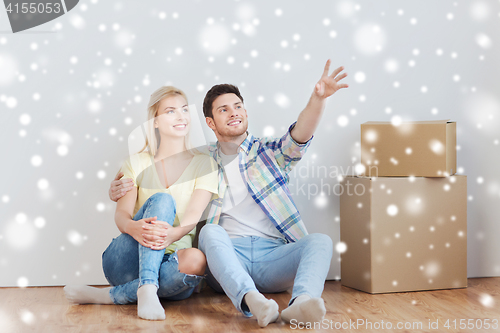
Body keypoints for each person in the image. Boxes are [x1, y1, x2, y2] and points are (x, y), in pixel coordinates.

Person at [109, 59, 348, 327]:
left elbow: (301, 133)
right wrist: (119, 187)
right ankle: (251, 300)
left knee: (321, 241)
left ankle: (302, 303)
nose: (234, 112)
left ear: (245, 112)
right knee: (210, 232)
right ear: (210, 122)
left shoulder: (271, 153)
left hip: (275, 256)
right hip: (226, 257)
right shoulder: (200, 159)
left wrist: (318, 98)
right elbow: (162, 168)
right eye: (224, 109)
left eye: (238, 106)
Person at [64, 86, 218, 321]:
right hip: (128, 259)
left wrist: (172, 235)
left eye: (185, 110)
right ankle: (146, 286)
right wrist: (132, 227)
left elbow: (193, 217)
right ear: (155, 122)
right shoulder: (135, 162)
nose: (181, 116)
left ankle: (111, 296)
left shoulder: (205, 164)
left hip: (172, 262)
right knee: (163, 200)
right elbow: (122, 214)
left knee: (197, 259)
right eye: (170, 111)